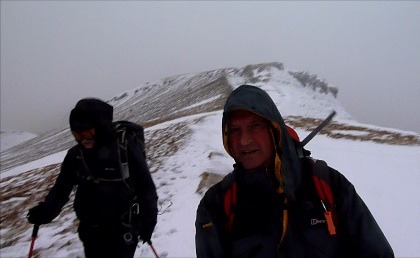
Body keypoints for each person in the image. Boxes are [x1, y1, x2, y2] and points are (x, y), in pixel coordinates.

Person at [195, 85, 394, 257]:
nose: (244, 140)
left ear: (274, 130)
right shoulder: (217, 205)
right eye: (235, 130)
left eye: (255, 126)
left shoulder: (330, 185)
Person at [27, 98, 158, 258]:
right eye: (77, 134)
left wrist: (148, 221)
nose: (83, 139)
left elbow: (146, 187)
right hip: (91, 232)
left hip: (123, 228)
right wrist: (46, 211)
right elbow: (62, 188)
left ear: (100, 125)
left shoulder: (124, 148)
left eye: (88, 132)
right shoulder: (76, 155)